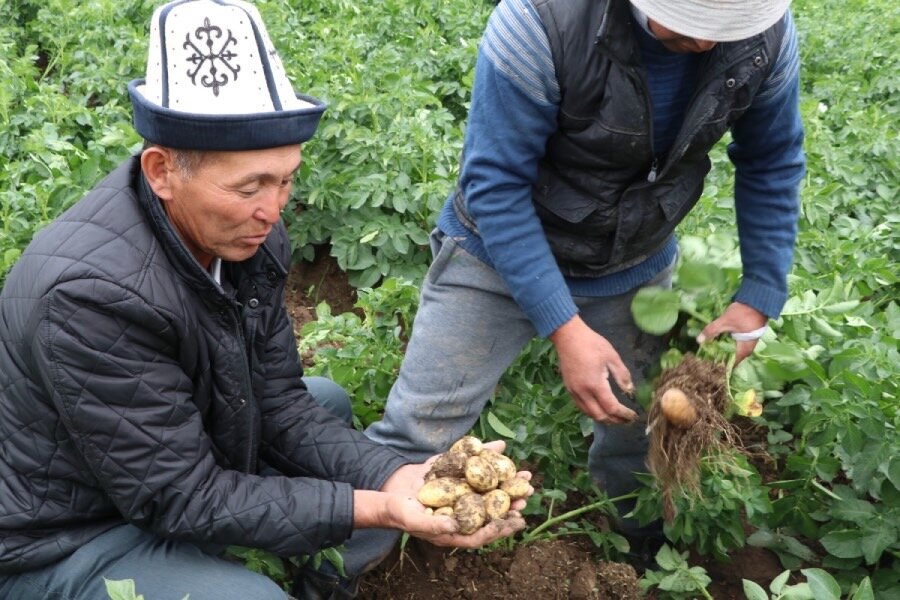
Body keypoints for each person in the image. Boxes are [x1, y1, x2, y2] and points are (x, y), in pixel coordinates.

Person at [0, 2, 530, 599]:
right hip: (62, 534)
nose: (273, 210)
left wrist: (396, 474)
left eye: (285, 179)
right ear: (161, 170)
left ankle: (313, 582)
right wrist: (379, 508)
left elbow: (277, 399)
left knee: (324, 403)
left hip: (150, 472)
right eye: (248, 186)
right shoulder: (91, 298)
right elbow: (182, 496)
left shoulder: (244, 234)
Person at [354, 0, 806, 571]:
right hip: (490, 258)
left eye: (727, 28)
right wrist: (565, 328)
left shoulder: (762, 31)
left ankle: (640, 553)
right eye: (694, 24)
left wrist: (759, 296)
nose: (712, 44)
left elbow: (772, 158)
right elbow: (495, 184)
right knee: (419, 428)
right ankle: (337, 567)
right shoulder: (539, 23)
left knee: (640, 428)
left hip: (633, 261)